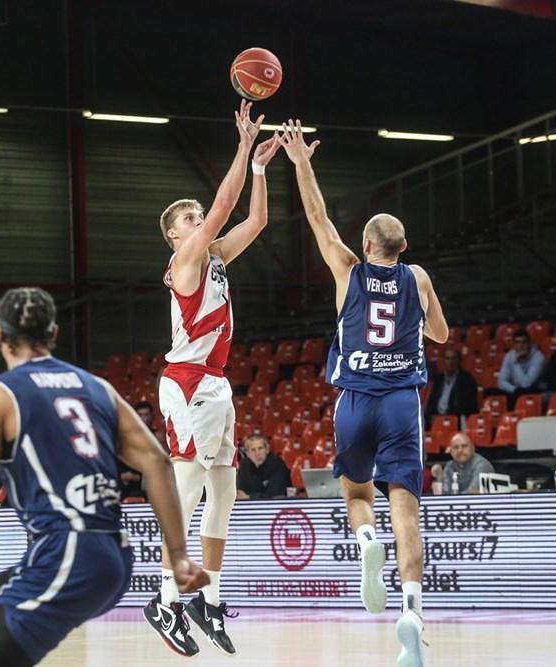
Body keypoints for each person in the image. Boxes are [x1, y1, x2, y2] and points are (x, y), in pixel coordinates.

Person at [0, 287, 208, 666]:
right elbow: (160, 463)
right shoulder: (98, 387)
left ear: (0, 336)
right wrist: (178, 555)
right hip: (113, 556)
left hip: (70, 553)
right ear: (53, 335)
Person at [281, 119, 448, 667]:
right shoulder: (417, 278)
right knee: (408, 507)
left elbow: (317, 217)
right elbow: (442, 335)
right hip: (402, 400)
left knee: (357, 494)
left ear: (366, 244)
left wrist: (302, 161)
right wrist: (412, 321)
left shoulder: (347, 271)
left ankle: (364, 543)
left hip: (354, 399)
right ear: (403, 248)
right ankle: (411, 611)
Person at [146, 100, 280, 658]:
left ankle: (208, 596)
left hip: (217, 383)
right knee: (189, 486)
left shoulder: (216, 255)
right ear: (174, 238)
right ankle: (163, 599)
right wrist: (243, 145)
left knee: (223, 492)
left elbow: (257, 221)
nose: (201, 222)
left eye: (199, 217)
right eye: (190, 221)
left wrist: (259, 172)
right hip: (187, 380)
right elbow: (226, 208)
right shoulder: (186, 262)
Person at [425, 347, 478, 425]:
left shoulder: (467, 379)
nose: (451, 362)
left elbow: (468, 406)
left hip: (456, 419)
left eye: (454, 358)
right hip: (437, 419)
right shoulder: (438, 379)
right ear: (444, 361)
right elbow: (431, 402)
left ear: (459, 361)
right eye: (448, 358)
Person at [492, 329, 545, 401]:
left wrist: (516, 362)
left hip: (534, 391)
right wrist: (514, 389)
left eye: (524, 342)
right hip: (517, 390)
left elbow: (526, 385)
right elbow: (501, 382)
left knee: (520, 395)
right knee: (490, 393)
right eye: (517, 342)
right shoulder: (509, 355)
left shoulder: (538, 357)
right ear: (513, 344)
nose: (521, 346)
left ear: (529, 343)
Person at [236, 434, 291, 500]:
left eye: (260, 448)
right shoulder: (244, 465)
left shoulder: (276, 464)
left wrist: (249, 497)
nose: (257, 453)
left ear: (267, 450)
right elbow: (241, 492)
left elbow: (275, 494)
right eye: (253, 450)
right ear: (247, 454)